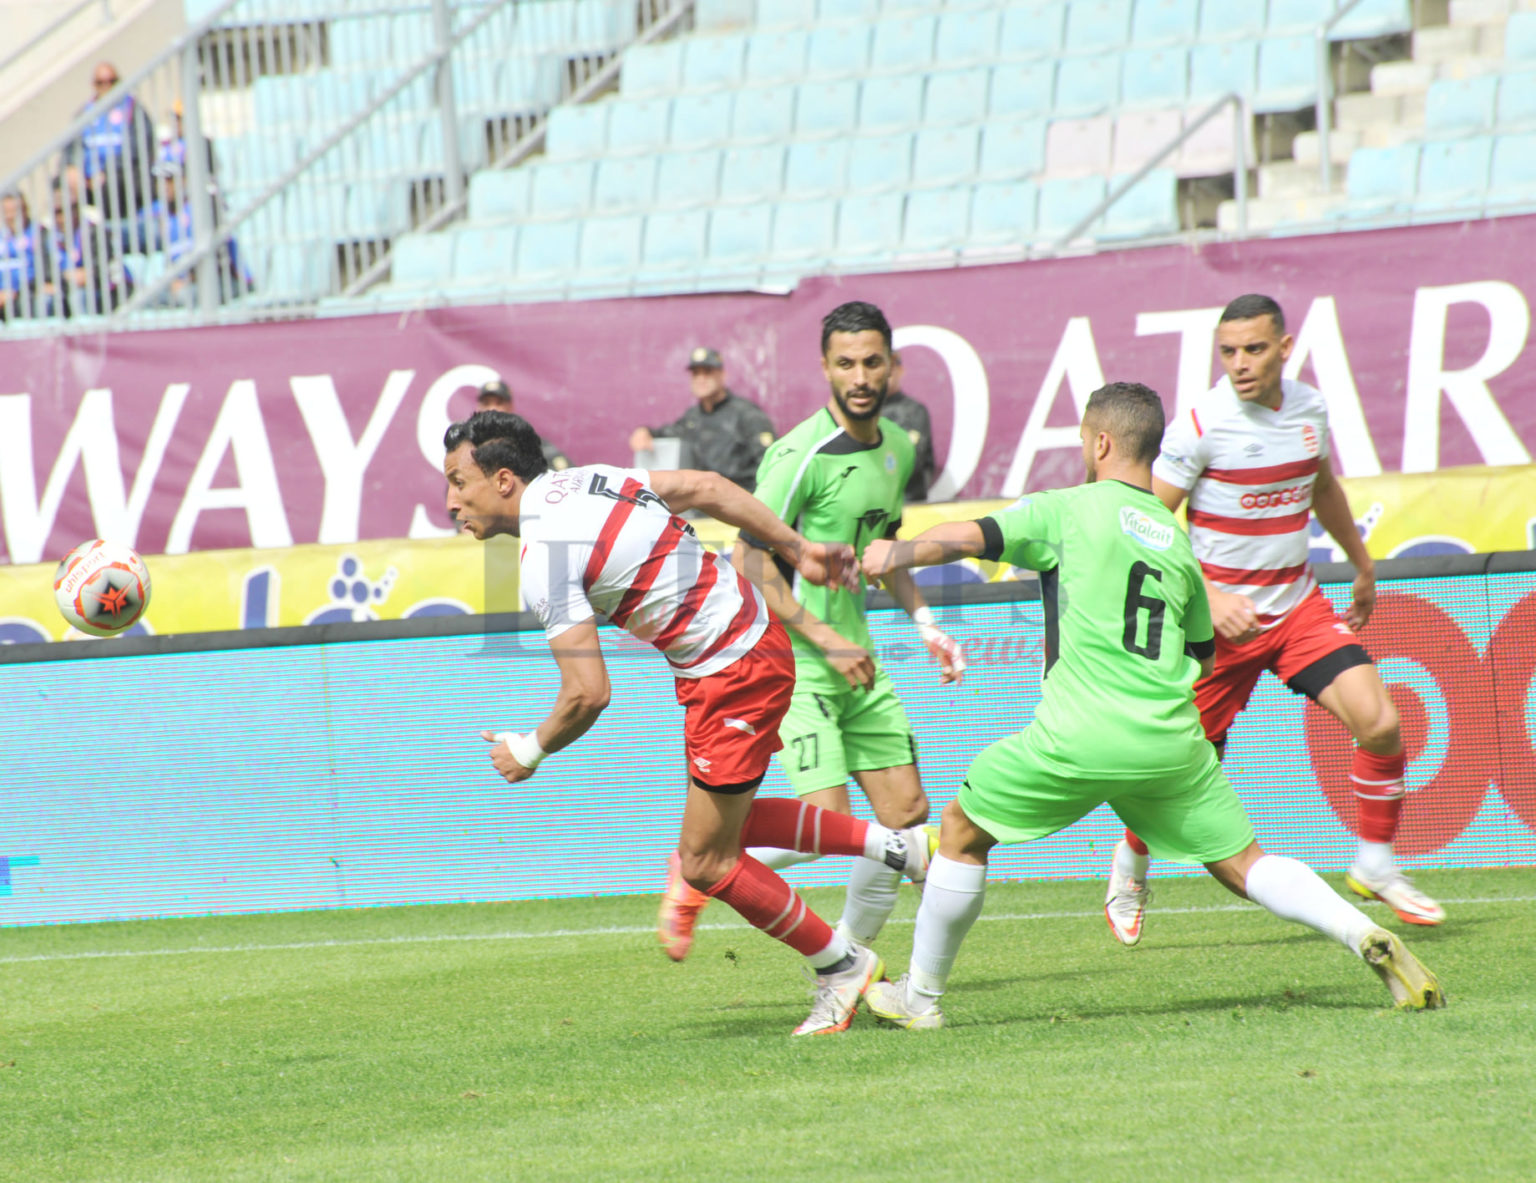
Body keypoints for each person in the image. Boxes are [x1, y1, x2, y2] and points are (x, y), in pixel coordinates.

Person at [854, 381, 1443, 1029]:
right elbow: (1203, 659)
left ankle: (920, 998)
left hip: (1077, 738)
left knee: (961, 832)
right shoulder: (1175, 542)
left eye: (1084, 439)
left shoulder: (1064, 509)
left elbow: (967, 537)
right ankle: (1362, 932)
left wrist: (895, 551)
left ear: (1101, 442)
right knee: (1245, 864)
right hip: (1170, 743)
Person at [442, 409, 936, 1036]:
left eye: (458, 482)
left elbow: (588, 694)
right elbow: (709, 487)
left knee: (703, 862)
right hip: (745, 648)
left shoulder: (544, 555)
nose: (451, 502)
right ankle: (897, 847)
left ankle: (842, 967)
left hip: (732, 672)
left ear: (503, 480)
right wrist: (797, 547)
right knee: (723, 826)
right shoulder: (594, 479)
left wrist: (529, 750)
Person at [1104, 293, 1443, 945]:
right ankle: (1130, 864)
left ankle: (1375, 864)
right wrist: (1208, 594)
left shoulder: (1310, 409)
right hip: (1218, 627)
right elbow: (1143, 522)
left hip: (1296, 608)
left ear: (1285, 348)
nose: (1239, 363)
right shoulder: (1201, 425)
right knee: (1178, 763)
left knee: (1380, 722)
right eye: (1228, 351)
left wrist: (1362, 563)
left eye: (1254, 349)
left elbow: (1323, 487)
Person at [655, 301, 966, 963]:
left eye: (872, 362)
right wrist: (827, 641)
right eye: (846, 363)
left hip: (859, 660)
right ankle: (694, 869)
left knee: (906, 814)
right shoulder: (800, 454)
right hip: (796, 662)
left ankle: (853, 959)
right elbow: (749, 559)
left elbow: (883, 552)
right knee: (830, 816)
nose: (861, 376)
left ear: (892, 366)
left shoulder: (899, 446)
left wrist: (926, 624)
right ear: (825, 367)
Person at [627, 347, 775, 493]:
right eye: (696, 373)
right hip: (701, 502)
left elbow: (770, 463)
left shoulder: (746, 414)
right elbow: (668, 432)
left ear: (722, 375)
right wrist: (645, 431)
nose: (701, 379)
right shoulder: (692, 418)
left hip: (739, 498)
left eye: (708, 372)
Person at [64, 62, 157, 233]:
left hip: (121, 177)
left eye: (111, 81)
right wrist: (73, 168)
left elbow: (137, 149)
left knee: (112, 184)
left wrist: (105, 172)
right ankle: (75, 240)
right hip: (89, 178)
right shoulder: (84, 113)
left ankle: (110, 235)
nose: (106, 87)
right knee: (60, 185)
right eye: (100, 82)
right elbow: (71, 147)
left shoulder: (133, 110)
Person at [879, 351, 938, 502]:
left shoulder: (914, 411)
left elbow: (911, 460)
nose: (887, 374)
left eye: (891, 367)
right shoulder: (864, 413)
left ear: (900, 370)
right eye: (881, 367)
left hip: (910, 503)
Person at [476, 378, 570, 470]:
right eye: (486, 403)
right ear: (478, 407)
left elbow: (564, 471)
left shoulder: (528, 442)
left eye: (499, 403)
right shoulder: (469, 443)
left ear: (510, 407)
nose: (492, 408)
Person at [0, 190, 45, 319]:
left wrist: (16, 292)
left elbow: (47, 270)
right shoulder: (2, 237)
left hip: (29, 293)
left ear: (25, 210)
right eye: (6, 212)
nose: (10, 216)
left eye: (14, 211)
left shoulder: (39, 234)